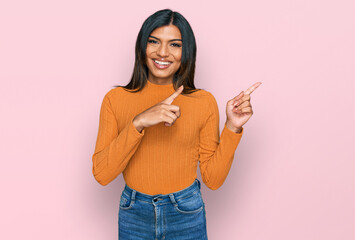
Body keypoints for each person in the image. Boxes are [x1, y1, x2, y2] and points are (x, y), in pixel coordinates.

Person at [92, 8, 261, 240]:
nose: (162, 52)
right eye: (154, 41)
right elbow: (102, 174)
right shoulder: (116, 99)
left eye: (174, 44)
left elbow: (213, 180)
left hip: (186, 212)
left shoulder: (203, 102)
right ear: (142, 46)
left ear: (186, 52)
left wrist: (233, 127)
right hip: (134, 213)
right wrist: (139, 122)